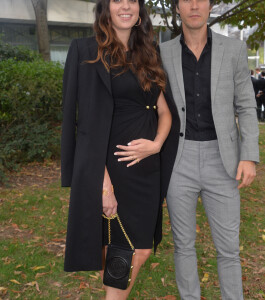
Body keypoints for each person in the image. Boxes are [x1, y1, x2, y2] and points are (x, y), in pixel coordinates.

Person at [60, 0, 180, 298]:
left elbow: (165, 112)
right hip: (112, 169)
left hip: (147, 172)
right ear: (106, 8)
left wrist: (156, 145)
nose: (125, 6)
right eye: (117, 0)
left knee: (139, 250)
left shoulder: (149, 53)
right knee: (121, 251)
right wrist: (103, 185)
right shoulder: (86, 51)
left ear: (140, 11)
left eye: (132, 1)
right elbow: (85, 124)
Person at [159, 0, 259, 299]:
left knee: (229, 249)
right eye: (186, 0)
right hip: (179, 159)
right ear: (177, 7)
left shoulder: (234, 50)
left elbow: (246, 105)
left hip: (223, 159)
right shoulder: (162, 52)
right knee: (183, 245)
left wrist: (249, 155)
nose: (193, 5)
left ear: (210, 6)